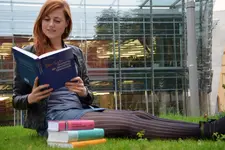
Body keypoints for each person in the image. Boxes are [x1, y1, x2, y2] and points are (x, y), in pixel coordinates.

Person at [12, 0, 225, 140]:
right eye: (46, 20)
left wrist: (83, 92)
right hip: (54, 119)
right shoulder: (29, 53)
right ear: (40, 22)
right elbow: (16, 98)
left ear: (66, 23)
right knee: (128, 123)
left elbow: (90, 94)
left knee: (139, 114)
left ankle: (206, 125)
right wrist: (30, 98)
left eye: (56, 20)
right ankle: (206, 132)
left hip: (80, 109)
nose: (50, 25)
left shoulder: (75, 52)